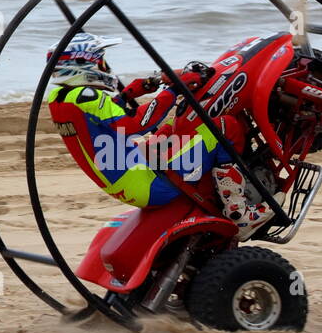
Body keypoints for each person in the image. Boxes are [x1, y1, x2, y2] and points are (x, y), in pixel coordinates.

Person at [44, 33, 274, 237]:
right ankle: (239, 212)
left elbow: (108, 117)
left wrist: (142, 87)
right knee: (225, 127)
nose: (104, 67)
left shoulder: (62, 97)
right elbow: (137, 124)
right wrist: (174, 90)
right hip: (148, 184)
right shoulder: (86, 95)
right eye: (101, 62)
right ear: (85, 64)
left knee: (174, 127)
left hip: (128, 178)